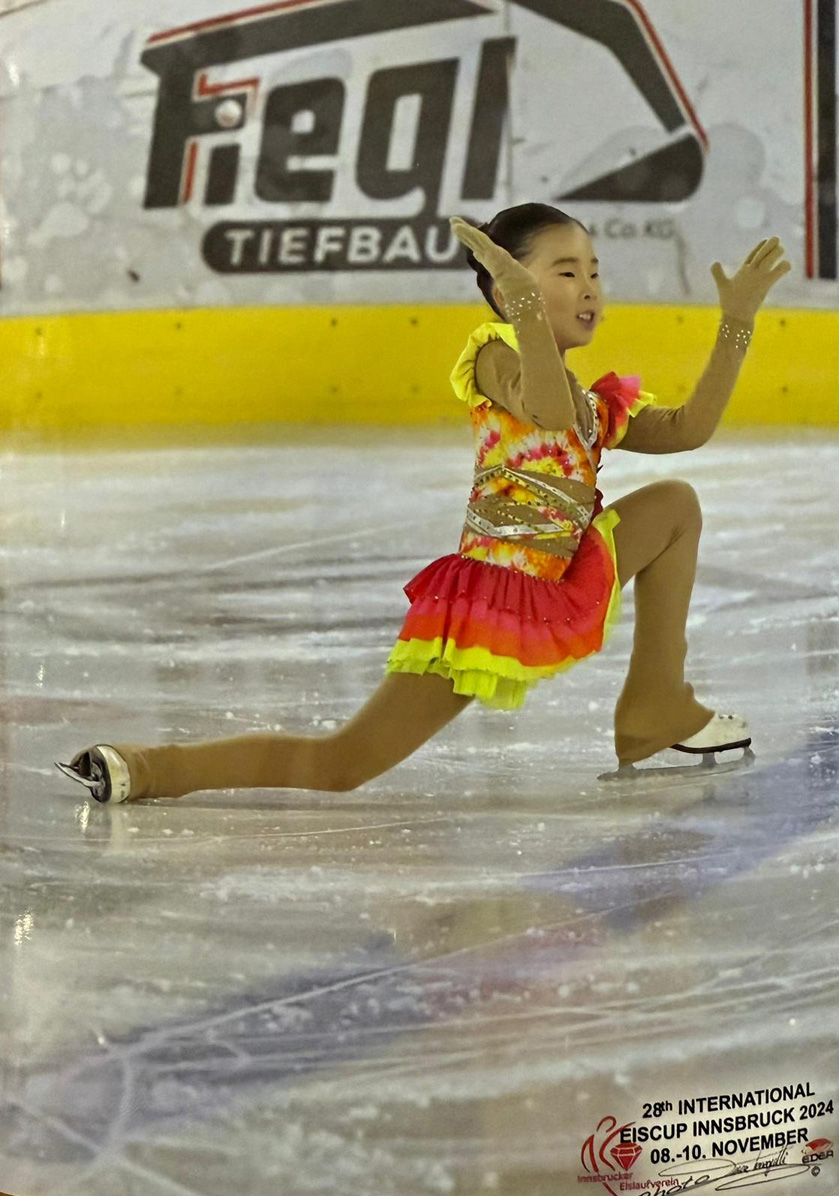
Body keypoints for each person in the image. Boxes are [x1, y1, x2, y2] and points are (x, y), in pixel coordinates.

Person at [56, 204, 791, 803]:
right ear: (507, 290)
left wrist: (737, 322)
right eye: (565, 272)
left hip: (565, 580)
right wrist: (525, 314)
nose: (589, 287)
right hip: (491, 602)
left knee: (673, 504)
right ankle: (148, 768)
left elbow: (689, 429)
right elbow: (541, 408)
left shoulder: (597, 407)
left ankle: (656, 704)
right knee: (342, 764)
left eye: (594, 271)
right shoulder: (495, 356)